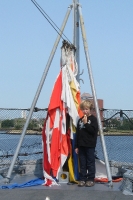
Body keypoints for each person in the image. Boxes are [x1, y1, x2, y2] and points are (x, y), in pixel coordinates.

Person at [75, 100, 98, 187]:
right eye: (83, 109)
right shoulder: (80, 120)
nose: (85, 111)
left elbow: (93, 131)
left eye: (87, 109)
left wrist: (86, 123)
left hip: (90, 145)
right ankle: (82, 179)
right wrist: (76, 146)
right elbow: (78, 134)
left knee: (90, 162)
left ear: (90, 110)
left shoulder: (93, 120)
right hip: (81, 145)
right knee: (83, 163)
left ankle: (91, 179)